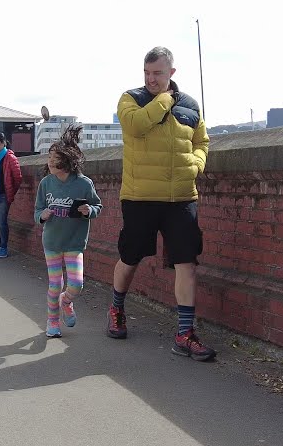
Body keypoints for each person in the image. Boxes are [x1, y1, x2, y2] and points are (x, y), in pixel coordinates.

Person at [109, 46, 217, 361]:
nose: (151, 78)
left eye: (157, 73)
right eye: (147, 73)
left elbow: (202, 140)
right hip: (140, 196)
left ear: (171, 72)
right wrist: (164, 100)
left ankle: (185, 334)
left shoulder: (191, 106)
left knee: (188, 263)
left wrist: (196, 164)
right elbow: (135, 126)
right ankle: (116, 309)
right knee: (129, 259)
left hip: (181, 198)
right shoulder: (131, 99)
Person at [35, 125, 102, 338]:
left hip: (74, 243)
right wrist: (42, 215)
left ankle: (67, 302)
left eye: (54, 159)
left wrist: (88, 210)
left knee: (76, 284)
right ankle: (52, 322)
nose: (49, 162)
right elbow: (37, 210)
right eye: (49, 158)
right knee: (55, 285)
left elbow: (97, 207)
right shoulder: (46, 184)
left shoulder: (84, 184)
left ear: (66, 161)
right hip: (52, 242)